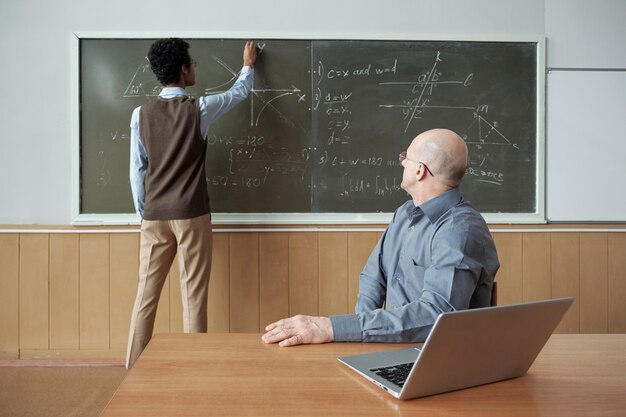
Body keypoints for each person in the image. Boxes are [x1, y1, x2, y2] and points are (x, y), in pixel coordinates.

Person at [262, 128, 499, 347]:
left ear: (420, 170)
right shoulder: (405, 214)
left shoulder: (460, 230)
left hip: (440, 359)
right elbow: (373, 278)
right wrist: (359, 335)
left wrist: (332, 327)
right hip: (392, 348)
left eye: (406, 157)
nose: (402, 162)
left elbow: (436, 316)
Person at [126, 38, 257, 368]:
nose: (194, 68)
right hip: (191, 213)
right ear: (184, 70)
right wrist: (248, 65)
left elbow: (137, 170)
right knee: (193, 296)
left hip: (154, 215)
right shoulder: (199, 109)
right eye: (193, 64)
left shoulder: (140, 114)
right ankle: (194, 370)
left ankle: (132, 368)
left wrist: (145, 212)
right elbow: (238, 93)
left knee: (145, 296)